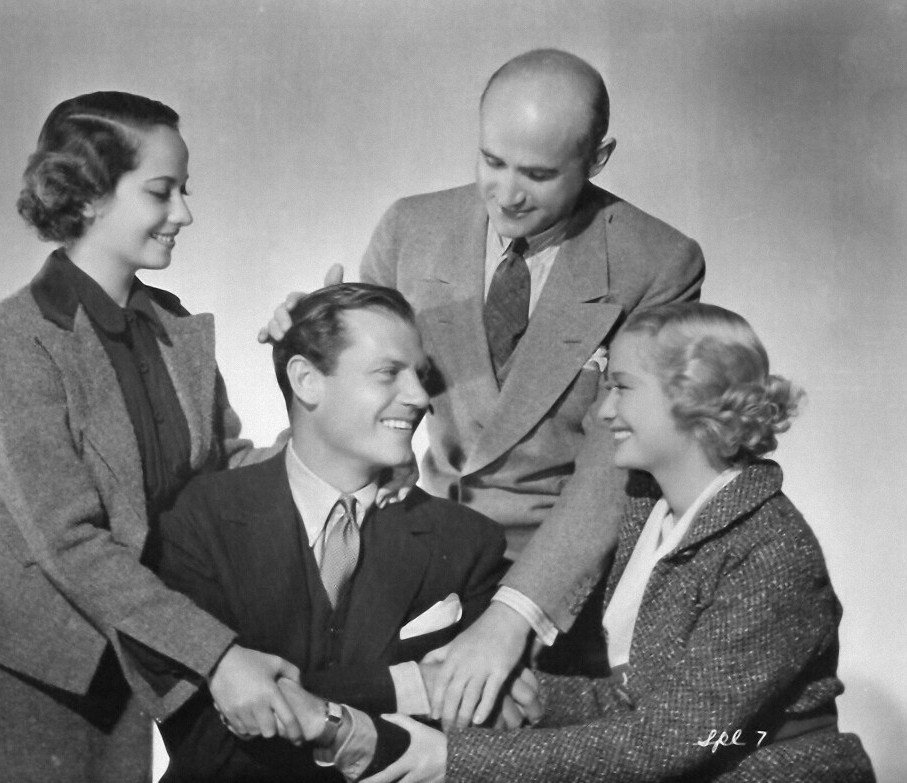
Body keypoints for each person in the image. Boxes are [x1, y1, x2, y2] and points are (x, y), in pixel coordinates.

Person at [263, 48, 706, 729]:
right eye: (491, 162)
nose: (507, 193)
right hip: (419, 549)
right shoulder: (411, 228)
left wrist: (512, 616)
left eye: (538, 174)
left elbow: (612, 466)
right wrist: (311, 341)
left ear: (598, 158)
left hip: (562, 576)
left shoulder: (658, 262)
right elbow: (364, 400)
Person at [0, 91, 301, 781]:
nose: (184, 213)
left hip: (130, 661)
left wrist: (320, 382)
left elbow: (221, 479)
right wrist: (217, 656)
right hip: (16, 666)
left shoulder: (173, 329)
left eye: (185, 191)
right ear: (88, 195)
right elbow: (68, 540)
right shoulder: (12, 339)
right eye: (162, 192)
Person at [361, 303, 876, 783]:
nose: (604, 413)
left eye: (622, 388)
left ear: (693, 398)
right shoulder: (648, 511)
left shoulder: (769, 550)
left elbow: (674, 740)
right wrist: (531, 693)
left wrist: (454, 759)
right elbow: (640, 702)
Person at [152, 284, 516, 782]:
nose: (419, 397)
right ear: (306, 380)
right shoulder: (200, 518)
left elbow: (480, 738)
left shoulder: (469, 542)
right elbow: (205, 743)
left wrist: (305, 706)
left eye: (420, 375)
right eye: (388, 373)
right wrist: (411, 686)